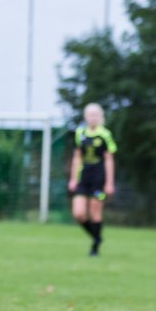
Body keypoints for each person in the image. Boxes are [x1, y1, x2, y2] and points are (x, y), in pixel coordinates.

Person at [68, 103, 117, 256]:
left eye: (95, 115)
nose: (92, 118)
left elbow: (109, 160)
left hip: (99, 178)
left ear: (100, 117)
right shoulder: (80, 133)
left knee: (95, 212)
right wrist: (73, 178)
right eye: (90, 115)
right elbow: (77, 157)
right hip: (83, 177)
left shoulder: (105, 134)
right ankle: (97, 237)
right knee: (78, 213)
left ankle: (95, 247)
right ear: (85, 117)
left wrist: (109, 183)